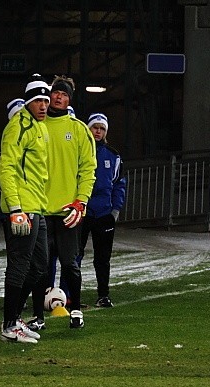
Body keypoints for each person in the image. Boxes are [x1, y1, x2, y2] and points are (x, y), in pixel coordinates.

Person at [41, 75, 97, 329]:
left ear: (69, 99)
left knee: (70, 264)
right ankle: (37, 315)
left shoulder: (79, 130)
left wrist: (81, 201)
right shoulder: (37, 126)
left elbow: (88, 170)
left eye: (64, 94)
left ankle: (75, 310)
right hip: (40, 208)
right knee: (40, 266)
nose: (59, 97)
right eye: (56, 92)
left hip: (68, 211)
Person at [0, 74, 50, 343]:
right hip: (22, 207)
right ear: (28, 102)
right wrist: (15, 207)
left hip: (36, 205)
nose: (43, 105)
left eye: (45, 100)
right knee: (19, 265)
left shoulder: (39, 127)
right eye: (38, 100)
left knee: (40, 265)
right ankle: (9, 325)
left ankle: (14, 319)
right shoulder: (18, 127)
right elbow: (6, 167)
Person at [78, 113, 126, 308]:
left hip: (104, 213)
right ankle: (73, 296)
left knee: (103, 258)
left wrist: (115, 211)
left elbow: (119, 184)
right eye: (94, 127)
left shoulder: (113, 156)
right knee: (75, 256)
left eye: (102, 128)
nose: (98, 131)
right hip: (82, 212)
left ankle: (103, 294)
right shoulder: (79, 151)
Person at [0, 98, 25, 234]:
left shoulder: (40, 139)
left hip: (36, 205)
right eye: (16, 115)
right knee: (17, 251)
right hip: (9, 207)